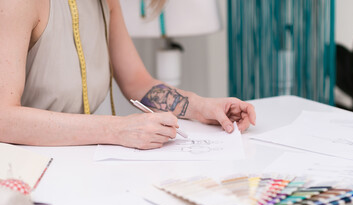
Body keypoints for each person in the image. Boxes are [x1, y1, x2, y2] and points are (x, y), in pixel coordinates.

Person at [0, 0, 256, 149]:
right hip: (25, 172)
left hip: (77, 163)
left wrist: (201, 107)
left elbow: (137, 82)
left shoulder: (105, 3)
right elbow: (4, 117)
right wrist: (117, 129)